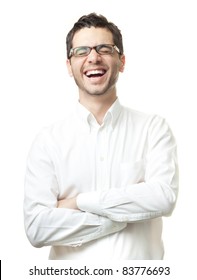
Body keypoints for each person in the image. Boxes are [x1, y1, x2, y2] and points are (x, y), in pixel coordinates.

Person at [24, 13, 178, 260]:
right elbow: (37, 228)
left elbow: (163, 198)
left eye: (104, 48)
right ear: (69, 65)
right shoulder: (48, 141)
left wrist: (77, 202)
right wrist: (121, 217)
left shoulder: (153, 128)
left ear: (122, 61)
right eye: (81, 51)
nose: (93, 57)